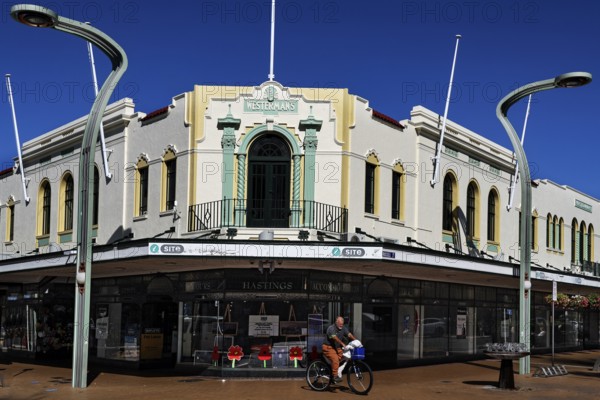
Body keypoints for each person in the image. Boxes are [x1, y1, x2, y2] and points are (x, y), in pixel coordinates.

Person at [322, 316, 358, 382]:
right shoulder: (331, 328)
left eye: (342, 324)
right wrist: (342, 344)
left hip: (336, 347)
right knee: (335, 359)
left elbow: (349, 334)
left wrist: (356, 341)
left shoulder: (343, 328)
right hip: (328, 347)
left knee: (344, 356)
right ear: (336, 322)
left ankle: (335, 369)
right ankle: (335, 376)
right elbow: (335, 338)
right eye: (340, 324)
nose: (341, 325)